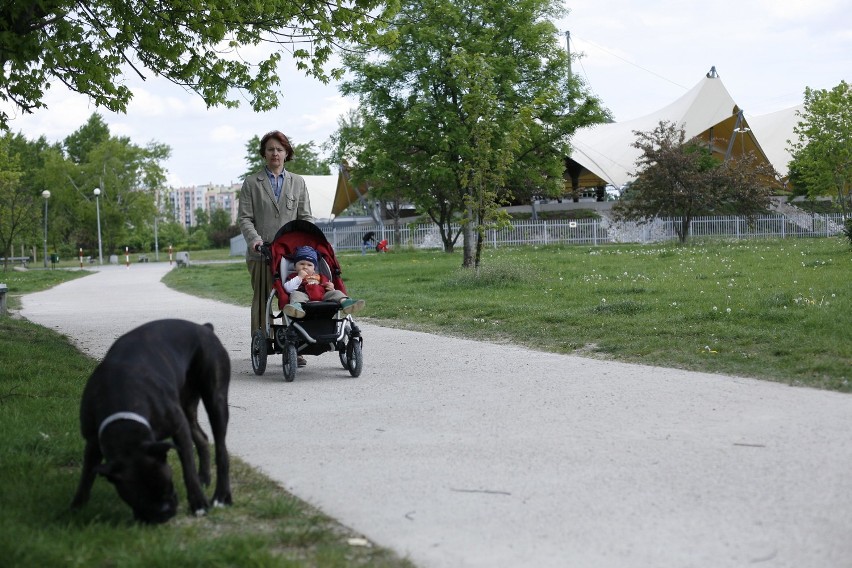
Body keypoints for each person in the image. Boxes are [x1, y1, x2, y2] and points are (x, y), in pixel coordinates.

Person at [239, 130, 313, 365]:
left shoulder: (298, 182)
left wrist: (307, 243)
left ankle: (296, 345)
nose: (275, 153)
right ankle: (260, 344)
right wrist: (255, 240)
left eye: (279, 149)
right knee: (263, 300)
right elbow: (245, 218)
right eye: (270, 149)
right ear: (264, 153)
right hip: (262, 254)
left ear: (286, 153)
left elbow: (306, 217)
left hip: (291, 256)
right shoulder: (252, 183)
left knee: (294, 297)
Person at [282, 246, 365, 318]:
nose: (305, 267)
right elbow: (288, 289)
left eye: (309, 265)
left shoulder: (321, 276)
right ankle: (297, 308)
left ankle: (346, 303)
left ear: (314, 268)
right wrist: (299, 277)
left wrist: (331, 288)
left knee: (337, 292)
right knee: (295, 294)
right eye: (301, 264)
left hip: (323, 296)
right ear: (295, 266)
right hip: (304, 296)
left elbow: (328, 287)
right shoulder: (294, 277)